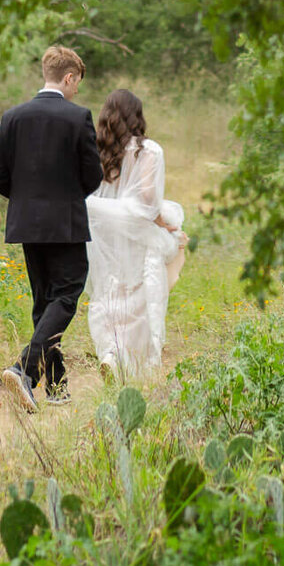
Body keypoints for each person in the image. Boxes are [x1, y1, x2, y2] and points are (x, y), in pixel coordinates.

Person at [0, 43, 102, 412]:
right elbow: (93, 177)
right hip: (65, 222)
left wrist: (26, 201)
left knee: (46, 303)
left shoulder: (12, 117)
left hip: (26, 222)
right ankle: (24, 370)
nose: (76, 92)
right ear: (68, 77)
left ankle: (56, 386)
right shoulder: (78, 117)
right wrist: (66, 198)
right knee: (67, 294)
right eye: (76, 84)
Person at [85, 88, 187, 379]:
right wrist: (162, 223)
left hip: (104, 228)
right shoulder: (149, 150)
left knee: (109, 289)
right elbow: (147, 199)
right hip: (136, 230)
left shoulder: (99, 150)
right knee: (143, 291)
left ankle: (111, 354)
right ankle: (135, 360)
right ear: (137, 116)